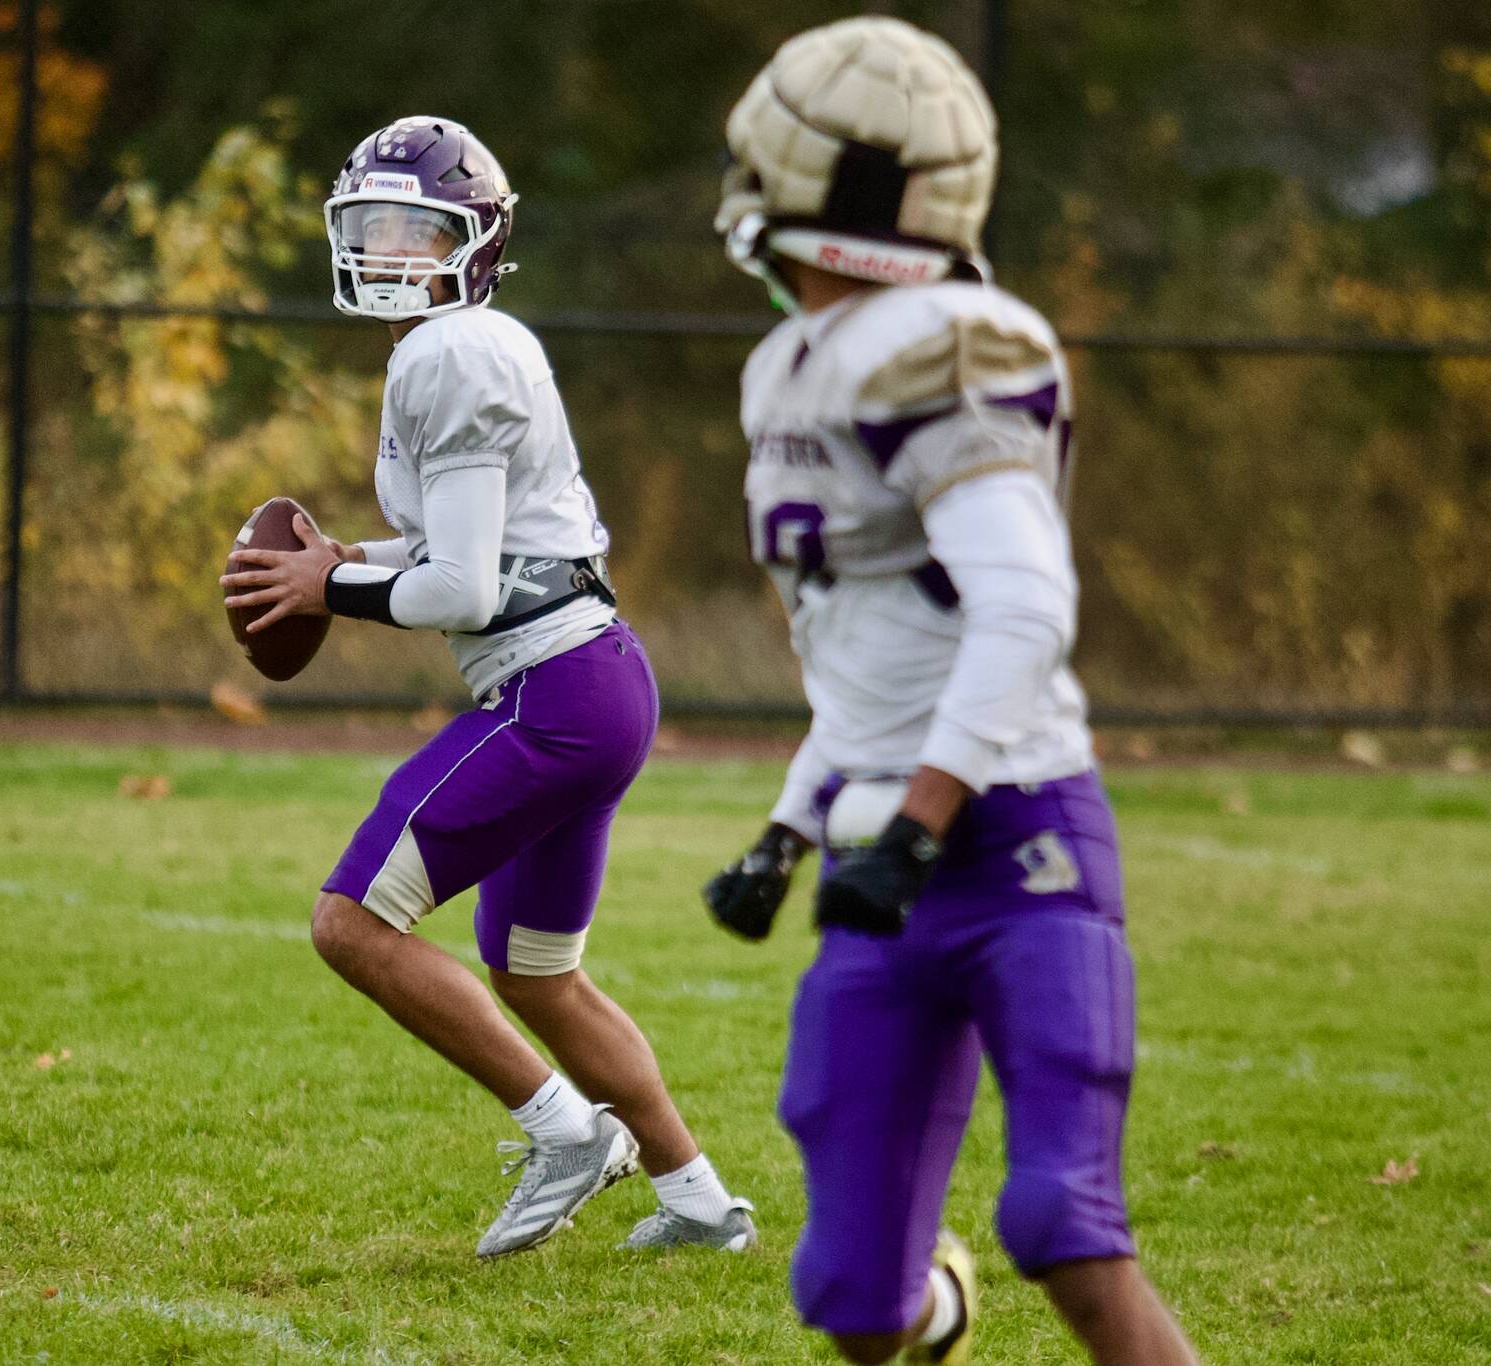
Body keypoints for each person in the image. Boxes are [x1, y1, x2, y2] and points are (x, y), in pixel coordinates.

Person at [700, 20, 1201, 1365]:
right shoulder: (789, 365)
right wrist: (789, 831)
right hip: (882, 849)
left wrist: (918, 821)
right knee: (852, 1292)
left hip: (1014, 836)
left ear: (825, 184)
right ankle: (944, 1311)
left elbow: (1025, 609)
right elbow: (872, 656)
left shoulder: (953, 343)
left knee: (1064, 1222)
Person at [220, 116, 752, 1258]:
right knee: (537, 974)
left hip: (551, 693)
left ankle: (565, 1131)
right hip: (594, 679)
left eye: (416, 228)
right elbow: (477, 559)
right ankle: (700, 1201)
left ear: (474, 240)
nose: (388, 249)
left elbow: (459, 589)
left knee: (350, 922)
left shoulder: (448, 353)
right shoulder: (461, 346)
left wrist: (329, 588)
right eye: (371, 227)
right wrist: (347, 564)